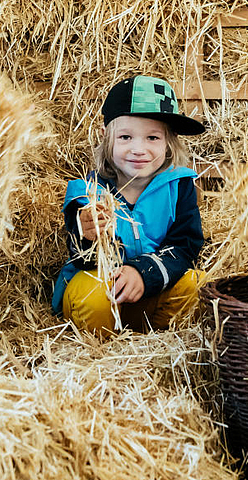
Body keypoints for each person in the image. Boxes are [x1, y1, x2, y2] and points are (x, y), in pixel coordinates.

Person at [53, 75, 207, 337]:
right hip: (106, 297)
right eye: (125, 137)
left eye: (152, 138)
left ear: (169, 142)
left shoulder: (179, 187)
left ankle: (153, 336)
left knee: (198, 286)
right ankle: (102, 337)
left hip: (152, 292)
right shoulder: (88, 191)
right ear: (106, 138)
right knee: (89, 296)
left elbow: (185, 246)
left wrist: (143, 273)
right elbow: (81, 257)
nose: (139, 149)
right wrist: (88, 234)